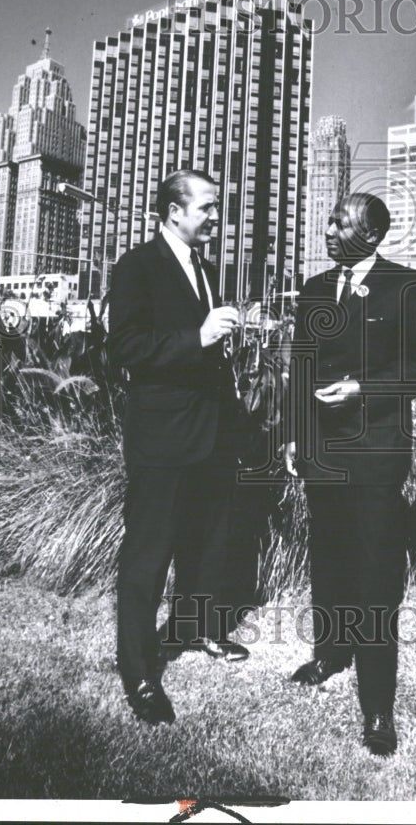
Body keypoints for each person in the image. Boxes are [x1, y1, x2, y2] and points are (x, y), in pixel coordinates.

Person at [284, 192, 416, 756]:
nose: (328, 229)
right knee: (328, 552)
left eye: (340, 223)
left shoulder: (410, 286)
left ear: (373, 235)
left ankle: (378, 705)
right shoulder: (313, 290)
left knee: (376, 576)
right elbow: (300, 365)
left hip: (378, 453)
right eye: (329, 220)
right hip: (321, 455)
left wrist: (365, 390)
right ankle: (331, 653)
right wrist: (294, 435)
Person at [109, 169, 249, 726]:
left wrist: (221, 342)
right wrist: (200, 337)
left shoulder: (206, 269)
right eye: (208, 207)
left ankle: (197, 630)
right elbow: (127, 347)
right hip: (162, 437)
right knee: (149, 552)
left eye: (217, 208)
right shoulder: (137, 267)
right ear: (172, 210)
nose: (216, 217)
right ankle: (139, 670)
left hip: (210, 434)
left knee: (206, 540)